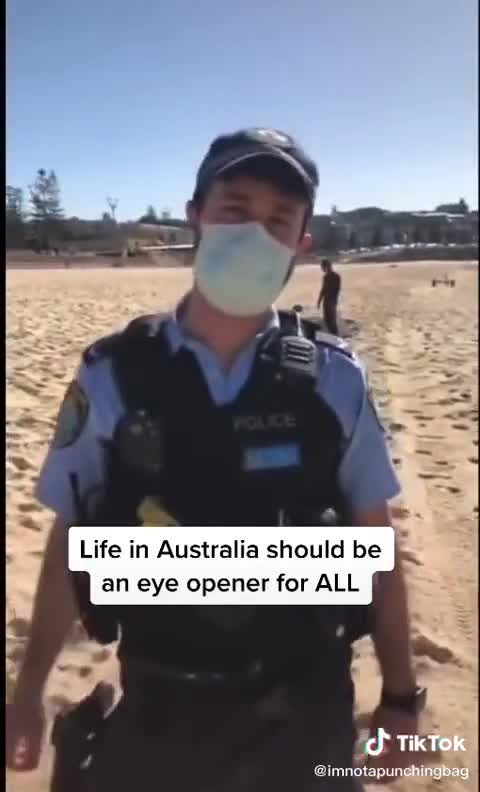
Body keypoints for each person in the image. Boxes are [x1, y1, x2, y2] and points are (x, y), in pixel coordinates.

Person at [7, 127, 425, 791]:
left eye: (279, 219)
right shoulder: (115, 376)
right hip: (159, 708)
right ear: (195, 215)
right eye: (235, 209)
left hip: (306, 714)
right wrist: (29, 692)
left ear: (301, 244)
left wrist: (401, 700)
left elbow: (377, 546)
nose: (255, 233)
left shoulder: (333, 381)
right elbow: (71, 542)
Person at [317, 258, 341, 335]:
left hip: (331, 301)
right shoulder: (326, 277)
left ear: (327, 266)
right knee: (327, 320)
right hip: (327, 301)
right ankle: (332, 335)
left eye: (322, 267)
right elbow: (323, 290)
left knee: (332, 320)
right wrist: (319, 301)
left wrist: (332, 301)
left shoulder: (336, 276)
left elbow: (336, 290)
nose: (322, 269)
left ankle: (336, 335)